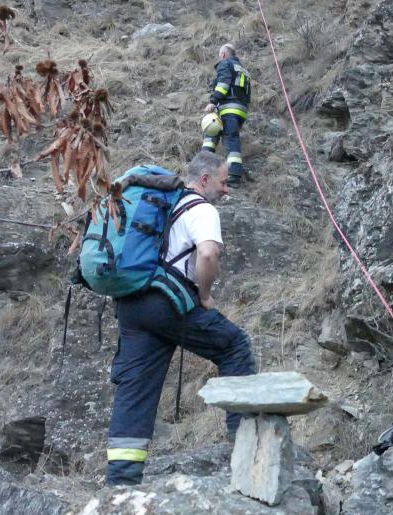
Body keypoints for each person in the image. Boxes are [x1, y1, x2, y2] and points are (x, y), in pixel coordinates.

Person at [106, 152, 255, 486]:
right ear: (204, 180)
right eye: (223, 181)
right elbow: (207, 252)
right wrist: (203, 296)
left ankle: (120, 484)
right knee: (234, 345)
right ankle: (245, 449)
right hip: (167, 303)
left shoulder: (163, 206)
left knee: (136, 390)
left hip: (132, 303)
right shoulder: (201, 208)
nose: (226, 190)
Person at [202, 43, 251, 188]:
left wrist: (213, 101)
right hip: (241, 111)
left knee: (211, 133)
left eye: (219, 54)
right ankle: (233, 174)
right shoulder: (243, 70)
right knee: (229, 137)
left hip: (228, 108)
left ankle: (208, 170)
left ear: (223, 54)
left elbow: (223, 85)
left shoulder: (225, 64)